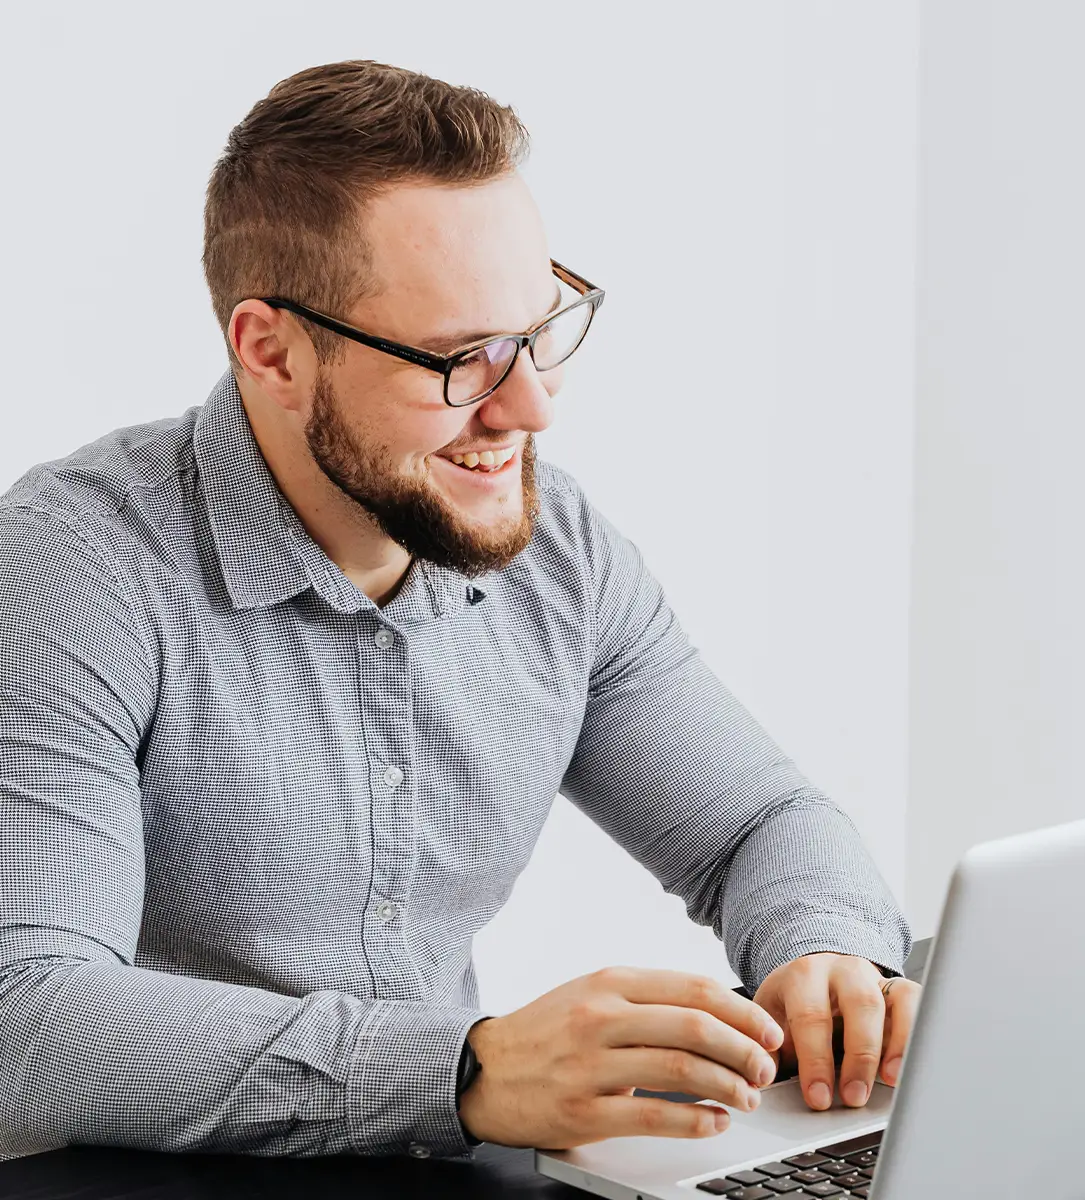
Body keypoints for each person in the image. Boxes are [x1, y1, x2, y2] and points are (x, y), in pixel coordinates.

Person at [0, 60, 917, 1162]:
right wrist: (465, 1069)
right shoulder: (70, 568)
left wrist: (831, 956)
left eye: (540, 329)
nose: (532, 404)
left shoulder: (557, 547)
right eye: (458, 359)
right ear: (272, 351)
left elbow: (756, 826)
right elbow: (29, 1019)